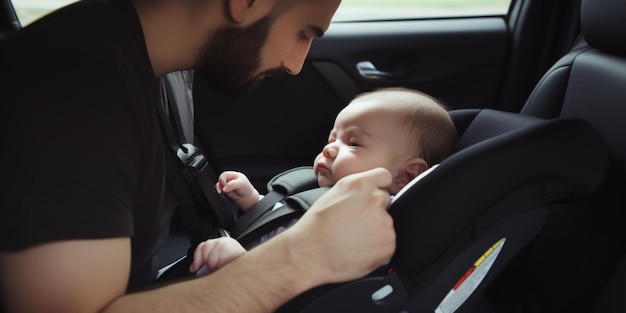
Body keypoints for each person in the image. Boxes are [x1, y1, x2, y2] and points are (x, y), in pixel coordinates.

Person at [0, 0, 397, 313]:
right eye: (303, 33)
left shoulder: (163, 67)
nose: (296, 64)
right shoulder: (69, 93)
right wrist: (303, 256)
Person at [189, 87, 458, 274]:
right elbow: (286, 221)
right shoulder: (325, 194)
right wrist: (252, 201)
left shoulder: (369, 224)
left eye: (353, 143)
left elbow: (303, 275)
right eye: (332, 139)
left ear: (405, 175)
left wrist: (239, 264)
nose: (329, 149)